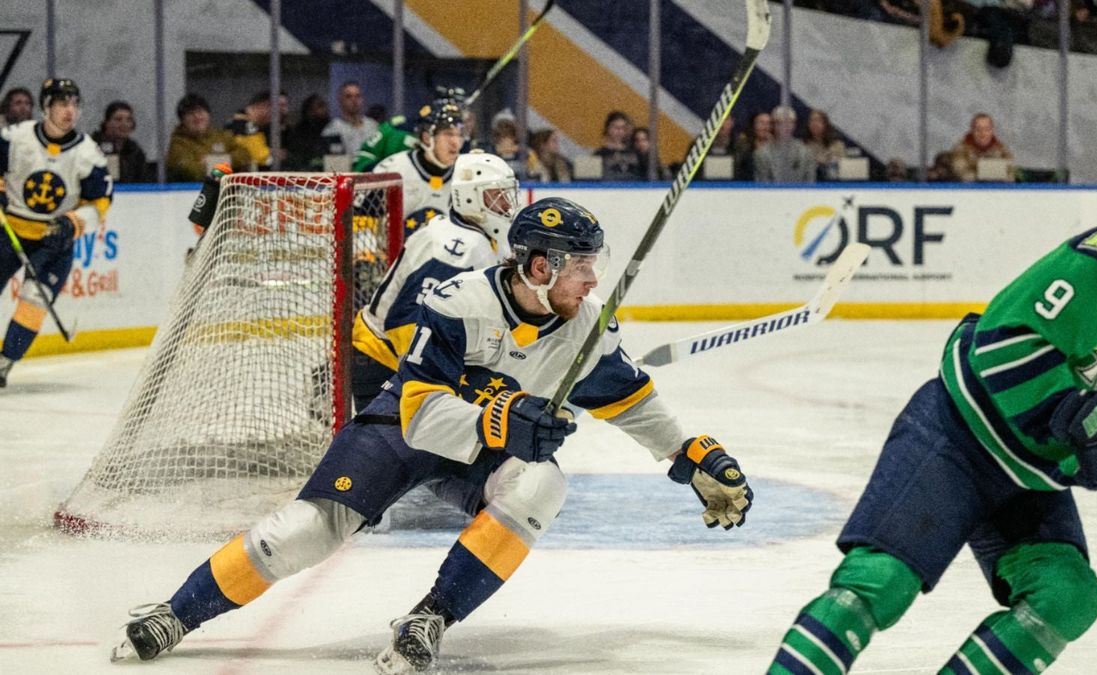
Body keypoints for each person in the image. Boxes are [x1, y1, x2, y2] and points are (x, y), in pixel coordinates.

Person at [112, 196, 754, 674]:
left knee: (539, 486)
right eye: (580, 266)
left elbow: (634, 401)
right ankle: (175, 613)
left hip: (478, 455)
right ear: (537, 266)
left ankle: (429, 617)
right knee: (304, 532)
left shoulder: (585, 329)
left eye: (595, 265)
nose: (593, 281)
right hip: (403, 433)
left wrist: (691, 454)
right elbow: (419, 412)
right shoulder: (459, 302)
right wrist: (503, 418)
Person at [769, 139, 1097, 674]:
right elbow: (1007, 342)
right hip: (958, 438)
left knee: (1067, 595)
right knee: (879, 584)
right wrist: (1081, 420)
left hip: (1030, 477)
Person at [350, 151, 518, 411]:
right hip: (383, 363)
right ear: (471, 197)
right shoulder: (456, 248)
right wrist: (445, 379)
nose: (506, 205)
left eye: (507, 194)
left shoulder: (474, 237)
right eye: (496, 195)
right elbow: (407, 325)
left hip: (391, 361)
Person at [0, 79, 113, 387]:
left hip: (55, 240)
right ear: (46, 106)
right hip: (9, 228)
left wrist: (73, 222)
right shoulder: (15, 137)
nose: (70, 111)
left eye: (75, 104)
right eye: (62, 103)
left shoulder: (88, 153)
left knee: (34, 300)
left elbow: (101, 202)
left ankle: (4, 362)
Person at [374, 98, 465, 234]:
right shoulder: (393, 169)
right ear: (427, 138)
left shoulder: (465, 174)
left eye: (460, 135)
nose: (456, 143)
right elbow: (361, 217)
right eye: (448, 134)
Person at [166, 93, 251, 182]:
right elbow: (195, 173)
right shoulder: (178, 145)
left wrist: (211, 161)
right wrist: (229, 165)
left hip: (225, 190)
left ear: (208, 114)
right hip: (192, 192)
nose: (197, 117)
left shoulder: (221, 136)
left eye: (200, 112)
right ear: (183, 120)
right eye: (190, 114)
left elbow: (245, 156)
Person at [90, 100, 152, 183]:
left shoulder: (135, 150)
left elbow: (143, 179)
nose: (124, 124)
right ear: (107, 123)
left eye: (128, 120)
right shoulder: (93, 147)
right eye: (118, 119)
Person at [226, 89, 288, 171]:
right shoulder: (241, 123)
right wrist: (273, 153)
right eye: (274, 108)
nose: (276, 115)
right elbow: (259, 156)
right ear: (262, 106)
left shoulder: (256, 125)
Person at [753, 105, 817, 183]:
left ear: (794, 125)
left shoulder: (806, 153)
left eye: (788, 122)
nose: (784, 126)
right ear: (773, 125)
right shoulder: (761, 154)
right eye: (779, 123)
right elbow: (762, 187)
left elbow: (810, 185)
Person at [950, 112, 1015, 182]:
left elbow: (1010, 176)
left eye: (987, 129)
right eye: (978, 129)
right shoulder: (960, 149)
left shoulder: (1002, 149)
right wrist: (994, 173)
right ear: (972, 131)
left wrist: (980, 171)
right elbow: (963, 175)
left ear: (992, 130)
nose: (982, 133)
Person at [323, 81, 378, 163]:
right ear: (340, 100)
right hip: (348, 173)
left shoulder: (373, 126)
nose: (354, 100)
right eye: (348, 97)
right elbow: (334, 164)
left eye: (358, 96)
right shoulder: (332, 130)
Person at [281, 94, 331, 171]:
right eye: (320, 106)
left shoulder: (332, 128)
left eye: (325, 106)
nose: (324, 109)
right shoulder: (298, 133)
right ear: (309, 111)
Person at [593, 110, 645, 181]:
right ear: (608, 128)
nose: (619, 131)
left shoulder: (635, 153)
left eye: (623, 128)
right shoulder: (600, 154)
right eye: (616, 128)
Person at [801, 109, 847, 181]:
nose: (814, 124)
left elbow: (842, 168)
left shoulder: (837, 145)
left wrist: (827, 162)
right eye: (812, 120)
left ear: (825, 124)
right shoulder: (802, 145)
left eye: (818, 120)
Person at [733, 111, 772, 181]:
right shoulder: (743, 146)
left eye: (768, 123)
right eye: (761, 123)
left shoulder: (775, 146)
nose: (766, 127)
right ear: (753, 125)